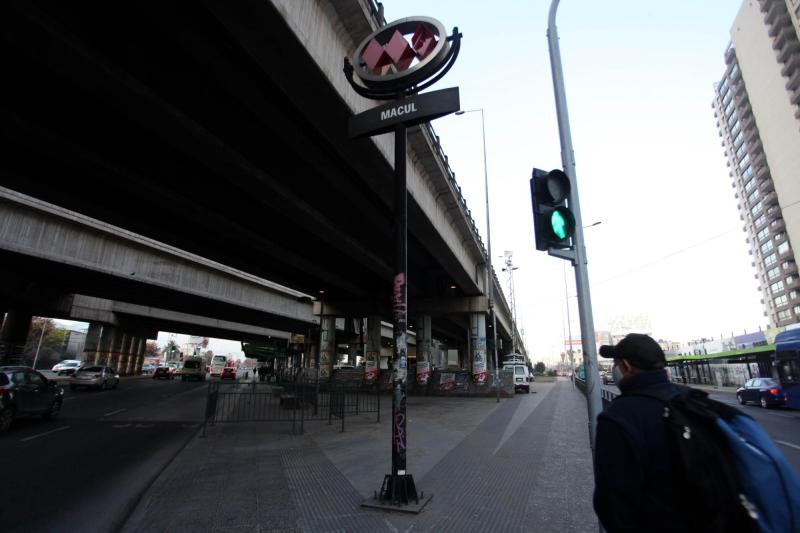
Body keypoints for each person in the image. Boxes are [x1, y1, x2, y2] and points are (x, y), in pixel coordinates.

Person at [592, 333, 689, 532]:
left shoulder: (618, 417)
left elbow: (612, 503)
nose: (613, 370)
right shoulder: (695, 402)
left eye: (615, 364)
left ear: (625, 367)